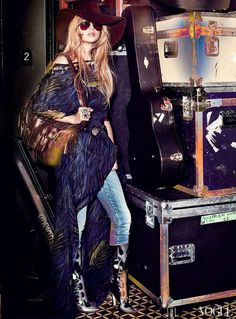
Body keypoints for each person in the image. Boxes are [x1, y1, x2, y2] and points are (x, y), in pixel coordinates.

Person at [25, 0, 135, 316]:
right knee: (77, 226)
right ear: (75, 28)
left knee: (123, 217)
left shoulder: (100, 68)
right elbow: (40, 108)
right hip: (77, 158)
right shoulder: (64, 62)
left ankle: (117, 280)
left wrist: (114, 156)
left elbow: (107, 118)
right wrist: (72, 117)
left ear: (102, 33)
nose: (90, 29)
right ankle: (76, 287)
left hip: (101, 156)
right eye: (84, 23)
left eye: (96, 25)